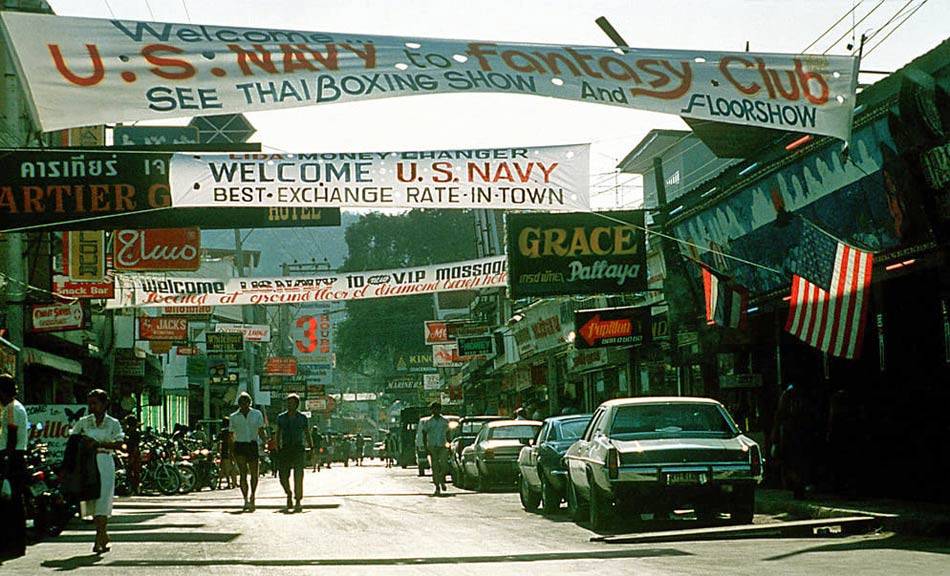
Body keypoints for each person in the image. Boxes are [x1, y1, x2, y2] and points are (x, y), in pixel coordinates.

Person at [71, 389, 124, 554]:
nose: (92, 407)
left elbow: (119, 443)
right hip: (88, 464)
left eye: (95, 403)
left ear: (104, 404)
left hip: (105, 461)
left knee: (103, 499)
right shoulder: (83, 422)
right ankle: (103, 535)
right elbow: (73, 440)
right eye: (90, 404)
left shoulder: (113, 423)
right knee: (92, 499)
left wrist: (99, 444)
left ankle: (98, 537)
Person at [0, 374, 28, 561]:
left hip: (12, 457)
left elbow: (11, 436)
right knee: (14, 502)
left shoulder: (11, 408)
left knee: (11, 503)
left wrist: (6, 462)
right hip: (16, 456)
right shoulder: (16, 407)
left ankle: (12, 543)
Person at [229, 392, 267, 512]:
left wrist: (265, 442)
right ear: (239, 404)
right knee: (243, 473)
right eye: (242, 402)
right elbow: (231, 434)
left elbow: (261, 430)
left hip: (252, 444)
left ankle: (253, 495)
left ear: (250, 403)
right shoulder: (233, 417)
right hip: (239, 445)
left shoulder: (257, 414)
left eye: (246, 402)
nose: (244, 404)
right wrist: (231, 449)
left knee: (254, 473)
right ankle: (245, 498)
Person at [275, 394, 313, 513]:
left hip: (298, 449)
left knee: (298, 476)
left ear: (297, 405)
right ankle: (288, 493)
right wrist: (277, 447)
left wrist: (311, 447)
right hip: (285, 449)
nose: (289, 405)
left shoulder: (302, 418)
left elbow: (307, 433)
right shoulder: (281, 418)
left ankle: (297, 500)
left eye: (292, 403)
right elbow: (278, 433)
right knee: (283, 475)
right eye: (288, 403)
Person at [420, 402, 450, 496]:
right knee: (435, 467)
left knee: (444, 465)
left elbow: (448, 433)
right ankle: (437, 486)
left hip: (442, 445)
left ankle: (441, 480)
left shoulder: (444, 421)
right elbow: (424, 434)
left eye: (437, 409)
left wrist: (449, 444)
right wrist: (425, 447)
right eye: (434, 409)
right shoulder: (428, 422)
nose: (436, 411)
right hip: (432, 446)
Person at [122, 414, 142, 495]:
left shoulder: (135, 433)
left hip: (134, 453)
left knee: (133, 471)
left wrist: (133, 457)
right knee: (131, 471)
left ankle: (135, 488)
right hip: (131, 453)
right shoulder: (131, 432)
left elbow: (135, 446)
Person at [217, 417, 236, 489]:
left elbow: (218, 441)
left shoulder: (223, 431)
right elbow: (232, 441)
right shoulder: (231, 431)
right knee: (231, 467)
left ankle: (222, 484)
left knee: (223, 467)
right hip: (230, 450)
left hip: (224, 450)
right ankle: (232, 483)